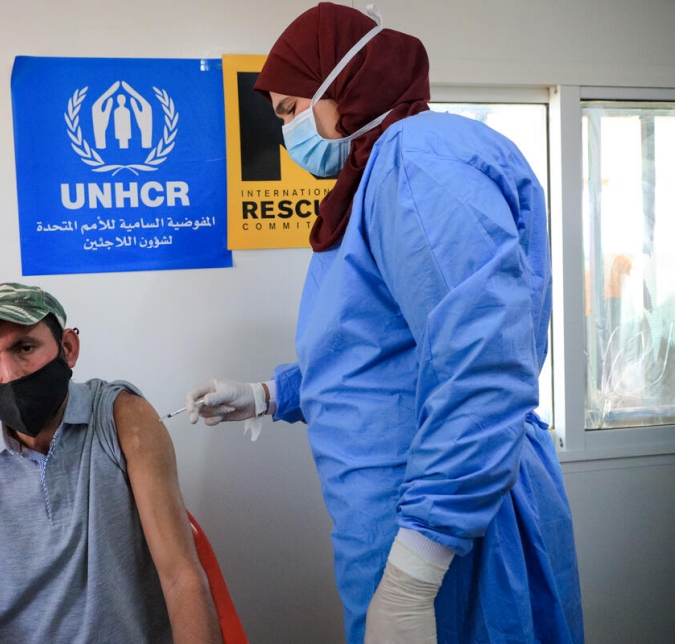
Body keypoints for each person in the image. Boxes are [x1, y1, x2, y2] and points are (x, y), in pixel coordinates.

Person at [185, 3, 584, 643]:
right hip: (409, 511)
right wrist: (272, 395)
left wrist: (415, 574)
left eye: (290, 111)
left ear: (342, 86)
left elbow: (482, 365)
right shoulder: (377, 175)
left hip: (445, 525)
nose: (288, 135)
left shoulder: (415, 164)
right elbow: (381, 351)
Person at [0, 283, 220, 643]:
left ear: (67, 348)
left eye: (25, 348)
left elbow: (181, 577)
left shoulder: (120, 417)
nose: (9, 374)